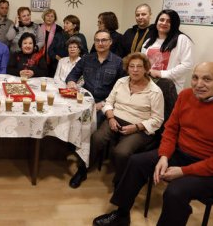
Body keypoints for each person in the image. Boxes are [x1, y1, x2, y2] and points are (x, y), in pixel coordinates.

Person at [93, 62, 213, 226]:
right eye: (195, 78)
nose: (199, 84)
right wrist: (164, 156)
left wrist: (183, 171)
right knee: (135, 162)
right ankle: (121, 214)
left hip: (207, 168)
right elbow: (171, 129)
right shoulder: (185, 96)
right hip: (179, 153)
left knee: (175, 191)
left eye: (207, 79)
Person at [69, 53, 164, 189]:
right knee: (96, 138)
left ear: (146, 69)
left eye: (139, 67)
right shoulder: (121, 82)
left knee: (121, 152)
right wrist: (111, 117)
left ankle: (120, 180)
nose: (135, 70)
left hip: (139, 127)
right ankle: (82, 169)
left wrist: (136, 127)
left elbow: (157, 119)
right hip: (115, 119)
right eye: (132, 66)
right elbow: (108, 102)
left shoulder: (155, 92)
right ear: (127, 68)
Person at [66, 30, 124, 126]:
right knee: (68, 118)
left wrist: (103, 103)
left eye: (104, 40)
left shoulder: (118, 62)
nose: (100, 43)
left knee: (90, 124)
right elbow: (72, 75)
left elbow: (121, 88)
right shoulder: (86, 59)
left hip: (105, 103)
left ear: (110, 42)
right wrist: (71, 81)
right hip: (84, 99)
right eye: (97, 40)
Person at [141, 9, 194, 93]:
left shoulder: (181, 39)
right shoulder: (148, 42)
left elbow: (187, 65)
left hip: (169, 90)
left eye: (169, 21)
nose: (164, 23)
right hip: (148, 88)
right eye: (161, 20)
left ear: (174, 24)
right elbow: (142, 63)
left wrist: (161, 74)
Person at [39, 9, 63, 77]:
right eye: (47, 16)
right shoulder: (38, 26)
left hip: (53, 58)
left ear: (55, 18)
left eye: (52, 16)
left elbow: (60, 44)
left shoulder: (59, 29)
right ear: (44, 17)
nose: (49, 18)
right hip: (40, 57)